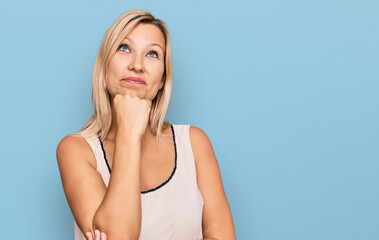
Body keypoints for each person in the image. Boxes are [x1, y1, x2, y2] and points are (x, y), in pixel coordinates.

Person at [56, 9, 235, 240]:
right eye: (124, 48)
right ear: (104, 66)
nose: (137, 65)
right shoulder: (76, 150)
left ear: (162, 79)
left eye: (152, 54)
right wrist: (129, 133)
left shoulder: (194, 143)